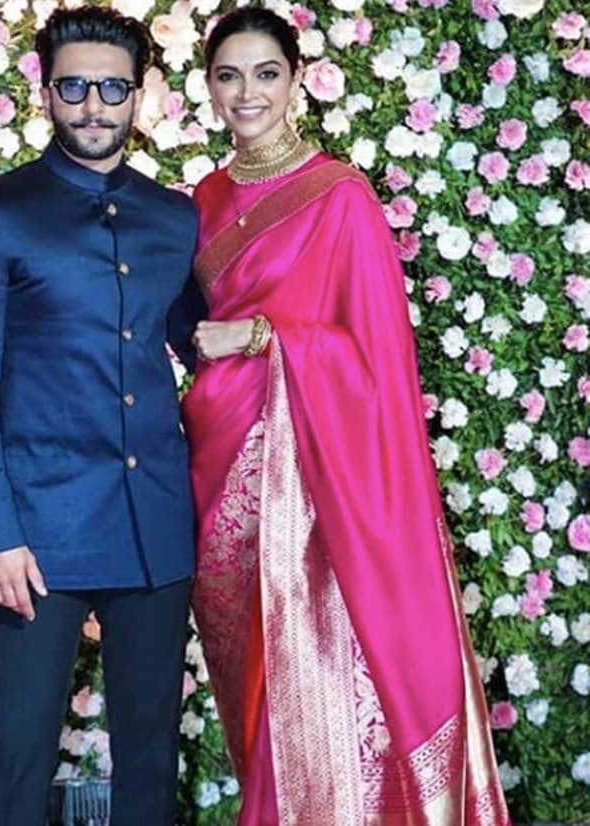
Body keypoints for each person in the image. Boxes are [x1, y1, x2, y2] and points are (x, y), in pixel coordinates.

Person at [183, 8, 511, 825]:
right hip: (226, 472)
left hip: (325, 485)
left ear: (296, 80)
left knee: (331, 666)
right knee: (262, 681)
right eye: (229, 75)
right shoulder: (203, 201)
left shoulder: (342, 199)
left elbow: (375, 364)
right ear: (209, 88)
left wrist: (263, 336)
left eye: (265, 73)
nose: (247, 92)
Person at [0, 7, 205, 825]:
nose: (94, 105)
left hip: (155, 526)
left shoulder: (174, 216)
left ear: (141, 94)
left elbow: (195, 341)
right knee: (19, 756)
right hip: (38, 536)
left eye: (113, 87)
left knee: (152, 754)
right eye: (75, 86)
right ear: (46, 92)